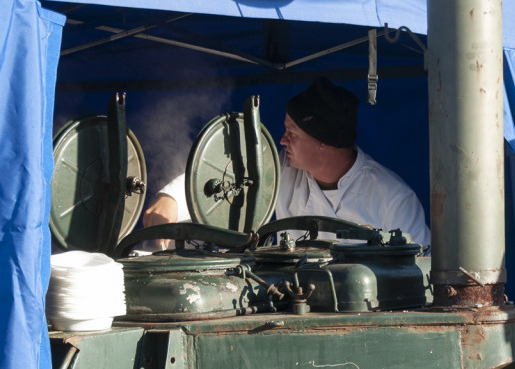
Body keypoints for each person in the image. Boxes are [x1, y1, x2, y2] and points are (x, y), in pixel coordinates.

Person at [143, 77, 430, 246]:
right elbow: (226, 178)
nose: (282, 141)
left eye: (292, 133)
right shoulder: (281, 169)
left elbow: (421, 272)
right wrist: (171, 200)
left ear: (324, 141)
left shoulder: (395, 200)